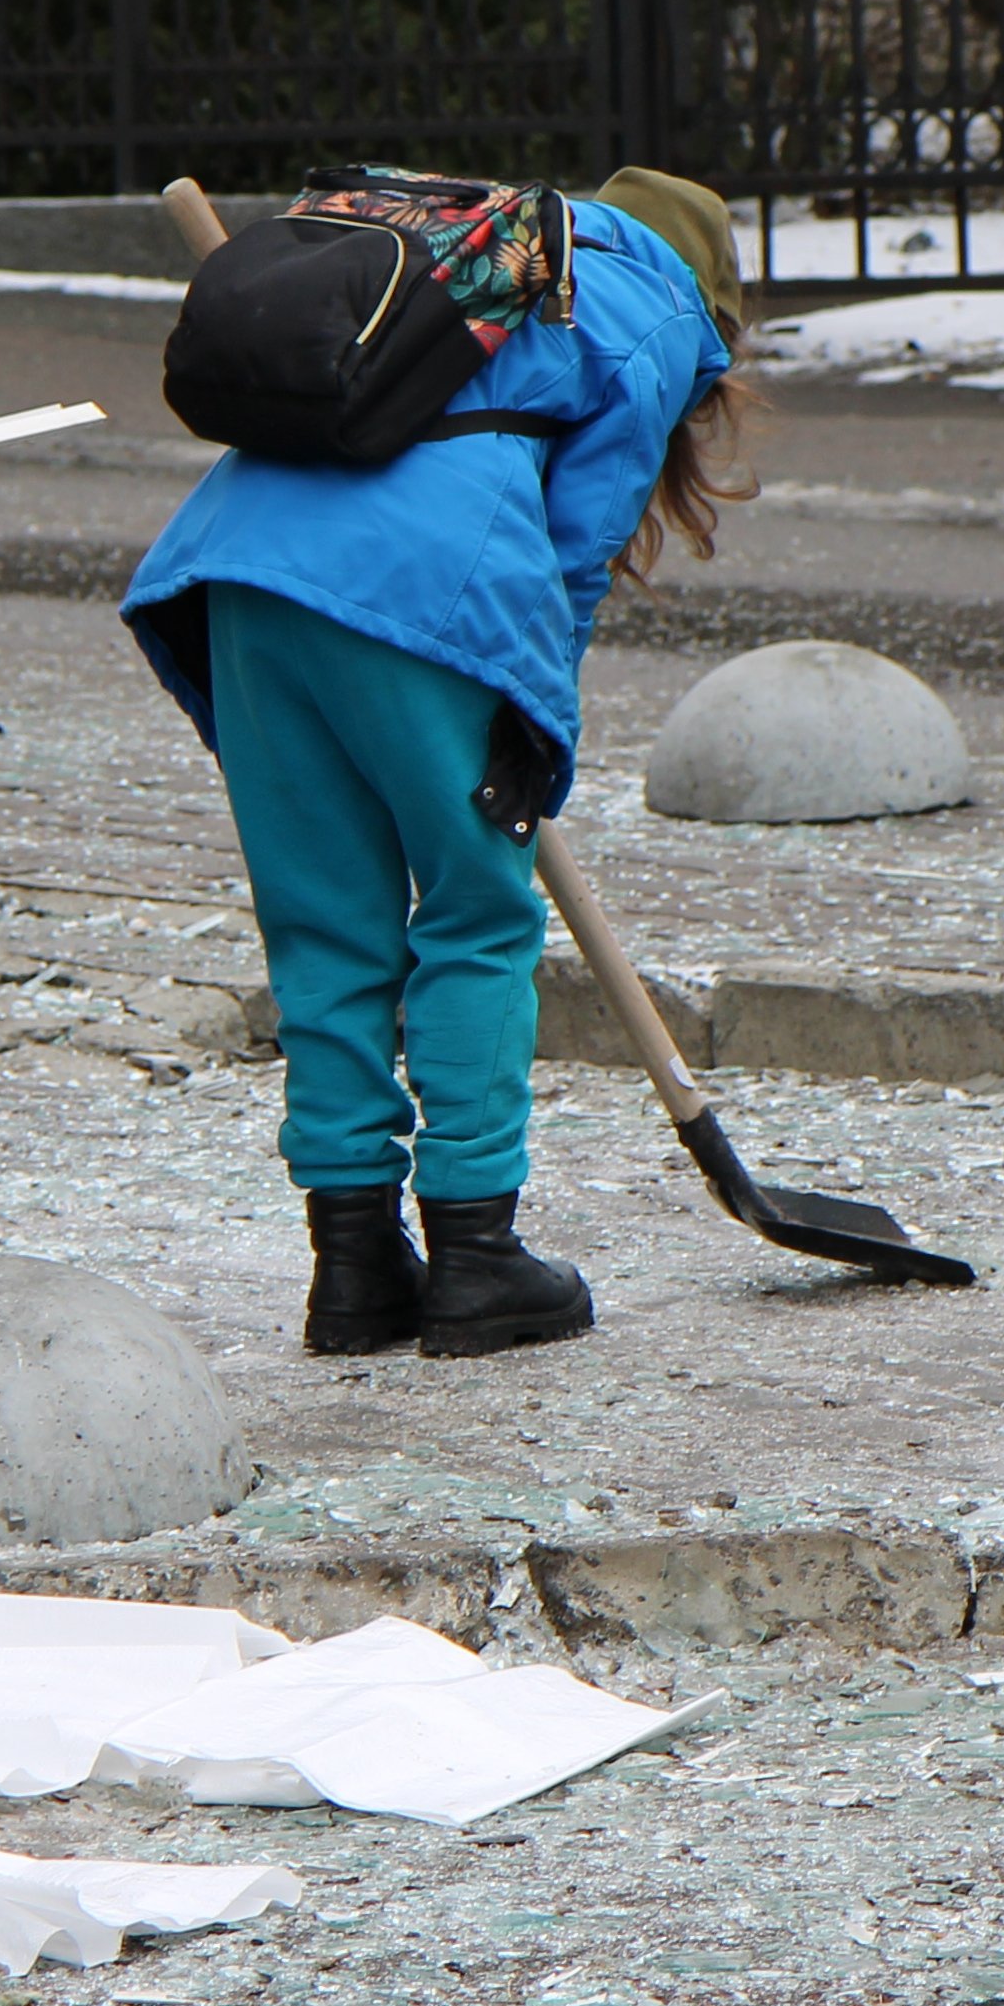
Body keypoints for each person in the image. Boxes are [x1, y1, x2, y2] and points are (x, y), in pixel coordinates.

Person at [128, 170, 748, 1358]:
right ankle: (475, 1256)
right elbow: (580, 539)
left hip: (240, 576)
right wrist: (533, 705)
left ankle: (353, 1264)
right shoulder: (660, 307)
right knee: (473, 915)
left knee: (325, 924)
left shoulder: (486, 259)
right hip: (419, 589)